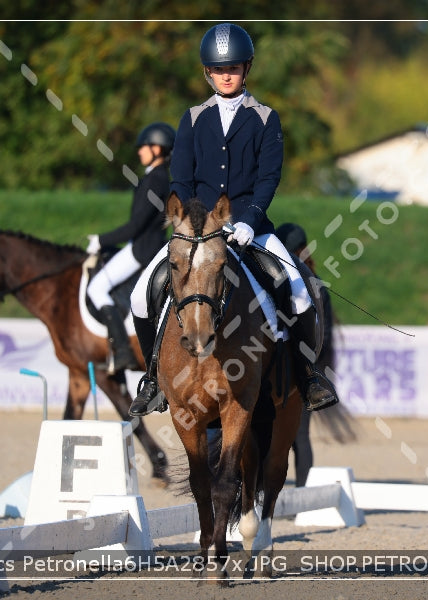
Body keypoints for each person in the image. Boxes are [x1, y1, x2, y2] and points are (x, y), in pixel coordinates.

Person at [127, 22, 339, 417]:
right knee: (142, 293)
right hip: (196, 232)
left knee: (296, 289)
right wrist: (194, 226)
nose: (226, 75)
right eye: (219, 69)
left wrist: (248, 221)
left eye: (234, 68)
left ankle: (309, 376)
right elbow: (182, 178)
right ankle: (153, 378)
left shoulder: (264, 117)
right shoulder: (192, 118)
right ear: (207, 71)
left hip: (249, 227)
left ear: (247, 69)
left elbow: (268, 178)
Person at [86, 122, 174, 373]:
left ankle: (122, 351)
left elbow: (136, 225)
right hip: (142, 246)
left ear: (157, 148)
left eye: (144, 147)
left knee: (97, 287)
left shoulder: (155, 181)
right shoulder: (156, 178)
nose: (139, 151)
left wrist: (101, 241)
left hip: (142, 250)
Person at [276, 223, 337, 486]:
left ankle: (302, 495)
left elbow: (324, 336)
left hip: (304, 365)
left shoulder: (315, 287)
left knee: (299, 435)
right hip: (280, 365)